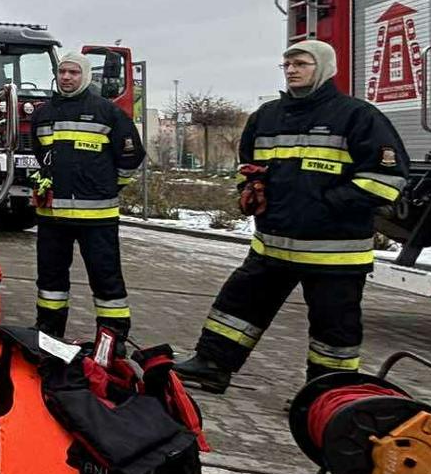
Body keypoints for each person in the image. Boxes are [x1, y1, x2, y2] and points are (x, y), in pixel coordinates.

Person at [174, 40, 408, 392]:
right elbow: (248, 167)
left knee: (335, 328)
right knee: (237, 306)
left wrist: (326, 205)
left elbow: (387, 178)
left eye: (301, 64)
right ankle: (211, 364)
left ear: (325, 68)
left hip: (335, 252)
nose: (292, 70)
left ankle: (329, 393)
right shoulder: (265, 117)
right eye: (287, 65)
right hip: (273, 245)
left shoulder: (358, 116)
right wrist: (249, 188)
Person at [30, 50, 143, 340]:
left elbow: (131, 157)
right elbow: (42, 156)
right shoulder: (43, 114)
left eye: (74, 72)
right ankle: (48, 331)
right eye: (63, 72)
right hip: (52, 216)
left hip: (97, 218)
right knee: (50, 280)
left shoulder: (108, 112)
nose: (66, 77)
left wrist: (109, 187)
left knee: (106, 280)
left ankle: (113, 339)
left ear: (85, 76)